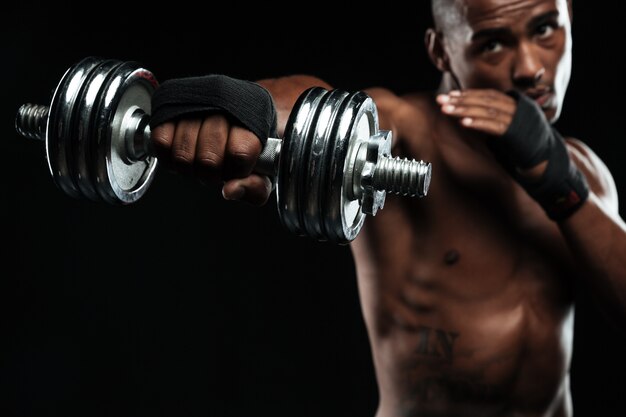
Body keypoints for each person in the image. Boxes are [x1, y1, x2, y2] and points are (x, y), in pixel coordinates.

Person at [148, 0, 626, 415]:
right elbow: (323, 108)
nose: (529, 68)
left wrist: (561, 183)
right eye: (492, 44)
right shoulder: (399, 133)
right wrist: (249, 106)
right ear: (441, 50)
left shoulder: (584, 170)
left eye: (546, 29)